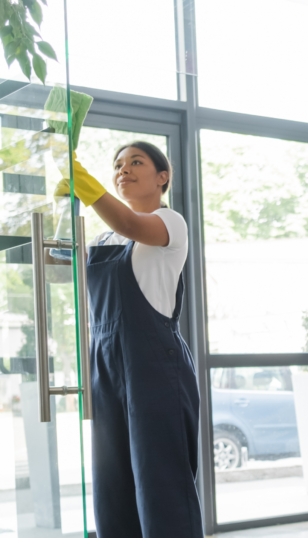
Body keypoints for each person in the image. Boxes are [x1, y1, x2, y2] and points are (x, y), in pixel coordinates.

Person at [56, 142, 202, 538]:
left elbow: (131, 225)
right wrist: (65, 208)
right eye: (118, 165)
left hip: (154, 365)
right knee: (112, 484)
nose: (124, 170)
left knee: (161, 485)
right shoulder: (105, 239)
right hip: (105, 364)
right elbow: (57, 271)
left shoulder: (170, 223)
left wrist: (83, 184)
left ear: (162, 176)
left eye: (136, 162)